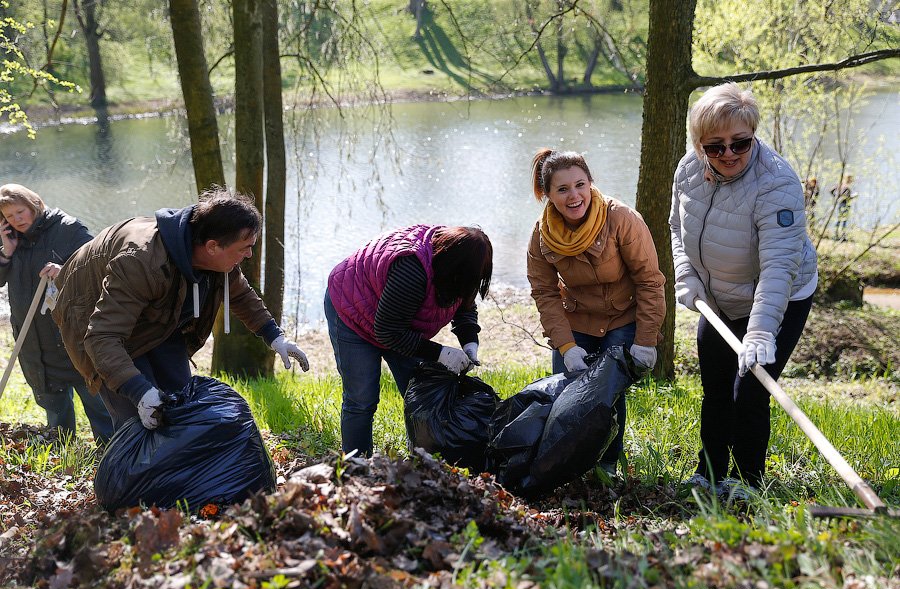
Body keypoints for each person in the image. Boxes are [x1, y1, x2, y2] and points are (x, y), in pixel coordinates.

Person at [51, 187, 309, 432]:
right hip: (93, 319)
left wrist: (274, 336)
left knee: (181, 403)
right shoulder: (140, 263)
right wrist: (140, 391)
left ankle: (180, 475)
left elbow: (240, 293)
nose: (250, 255)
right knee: (138, 421)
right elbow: (102, 337)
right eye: (245, 248)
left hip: (158, 320)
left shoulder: (216, 255)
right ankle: (134, 474)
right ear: (212, 247)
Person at [670, 82, 818, 498]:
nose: (729, 154)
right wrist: (687, 275)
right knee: (716, 387)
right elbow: (675, 228)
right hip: (718, 298)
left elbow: (777, 269)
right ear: (699, 144)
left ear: (753, 134)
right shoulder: (687, 171)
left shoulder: (777, 185)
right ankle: (709, 473)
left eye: (740, 143)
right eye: (715, 147)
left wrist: (759, 332)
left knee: (749, 391)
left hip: (778, 297)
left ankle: (747, 482)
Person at [526, 148, 666, 477]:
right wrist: (566, 345)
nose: (574, 196)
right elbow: (544, 292)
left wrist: (645, 340)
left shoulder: (622, 219)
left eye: (580, 185)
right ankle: (569, 468)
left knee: (607, 396)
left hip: (622, 318)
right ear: (548, 195)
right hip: (577, 321)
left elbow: (650, 281)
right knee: (567, 394)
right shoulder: (542, 235)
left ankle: (607, 466)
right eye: (562, 189)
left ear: (591, 182)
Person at [326, 225, 492, 457]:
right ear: (452, 270)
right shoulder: (412, 270)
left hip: (397, 320)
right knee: (361, 399)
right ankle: (356, 467)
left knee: (419, 391)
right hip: (352, 306)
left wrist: (469, 341)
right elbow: (388, 333)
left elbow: (464, 304)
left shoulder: (456, 269)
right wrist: (440, 354)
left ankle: (424, 459)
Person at [0, 184, 113, 443]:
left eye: (20, 211)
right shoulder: (10, 239)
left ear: (34, 205)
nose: (17, 220)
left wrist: (64, 271)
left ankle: (114, 455)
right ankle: (64, 457)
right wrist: (6, 252)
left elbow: (101, 269)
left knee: (100, 408)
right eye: (9, 216)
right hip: (33, 342)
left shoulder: (68, 229)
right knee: (55, 412)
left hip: (72, 337)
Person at [831, 175, 855, 242]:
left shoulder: (841, 185)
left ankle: (839, 235)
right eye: (851, 179)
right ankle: (839, 236)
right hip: (843, 204)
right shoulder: (845, 186)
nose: (851, 181)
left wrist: (836, 198)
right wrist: (851, 197)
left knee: (841, 220)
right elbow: (845, 196)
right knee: (842, 220)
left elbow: (832, 191)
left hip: (842, 204)